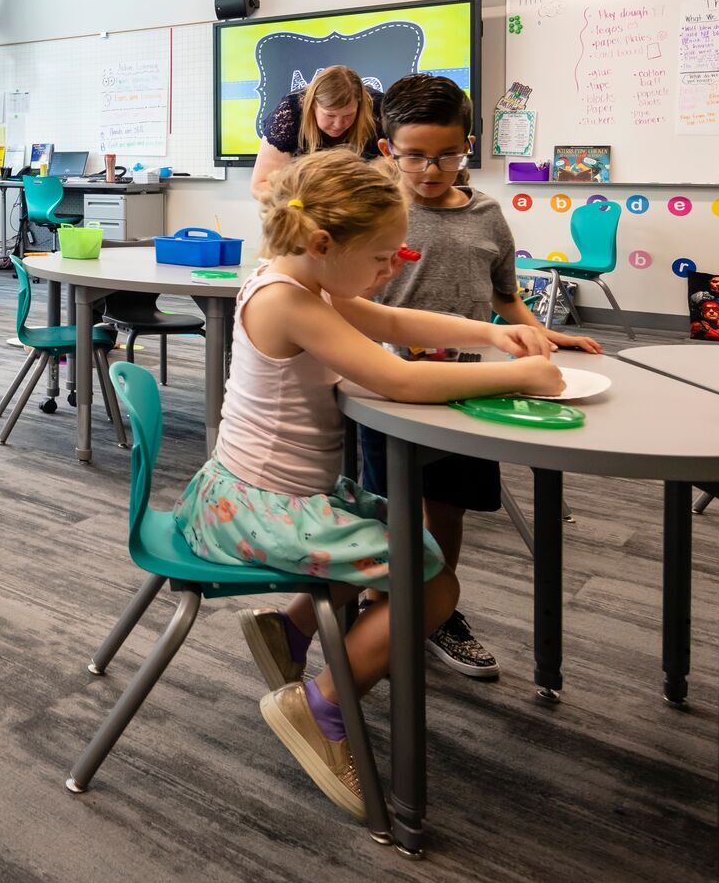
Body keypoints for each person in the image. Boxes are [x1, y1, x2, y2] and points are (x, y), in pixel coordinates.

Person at [176, 147, 560, 819]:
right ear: (323, 242)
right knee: (433, 584)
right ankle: (318, 705)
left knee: (399, 535)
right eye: (385, 257)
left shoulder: (297, 277)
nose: (392, 270)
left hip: (250, 492)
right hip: (258, 508)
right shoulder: (290, 301)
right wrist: (518, 375)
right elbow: (399, 376)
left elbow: (391, 323)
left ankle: (290, 632)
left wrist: (495, 336)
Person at [359, 73, 601, 680]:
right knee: (394, 509)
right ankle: (385, 609)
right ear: (388, 149)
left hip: (469, 389)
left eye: (448, 155)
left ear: (469, 144)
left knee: (450, 508)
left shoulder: (489, 215)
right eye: (414, 155)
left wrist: (542, 333)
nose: (431, 169)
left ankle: (439, 612)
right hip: (385, 386)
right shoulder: (377, 213)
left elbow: (505, 297)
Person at [249, 64, 386, 199]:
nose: (338, 124)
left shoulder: (379, 112)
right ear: (313, 105)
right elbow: (260, 185)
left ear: (360, 106)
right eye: (330, 115)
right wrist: (310, 197)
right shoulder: (290, 113)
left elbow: (396, 174)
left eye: (348, 115)